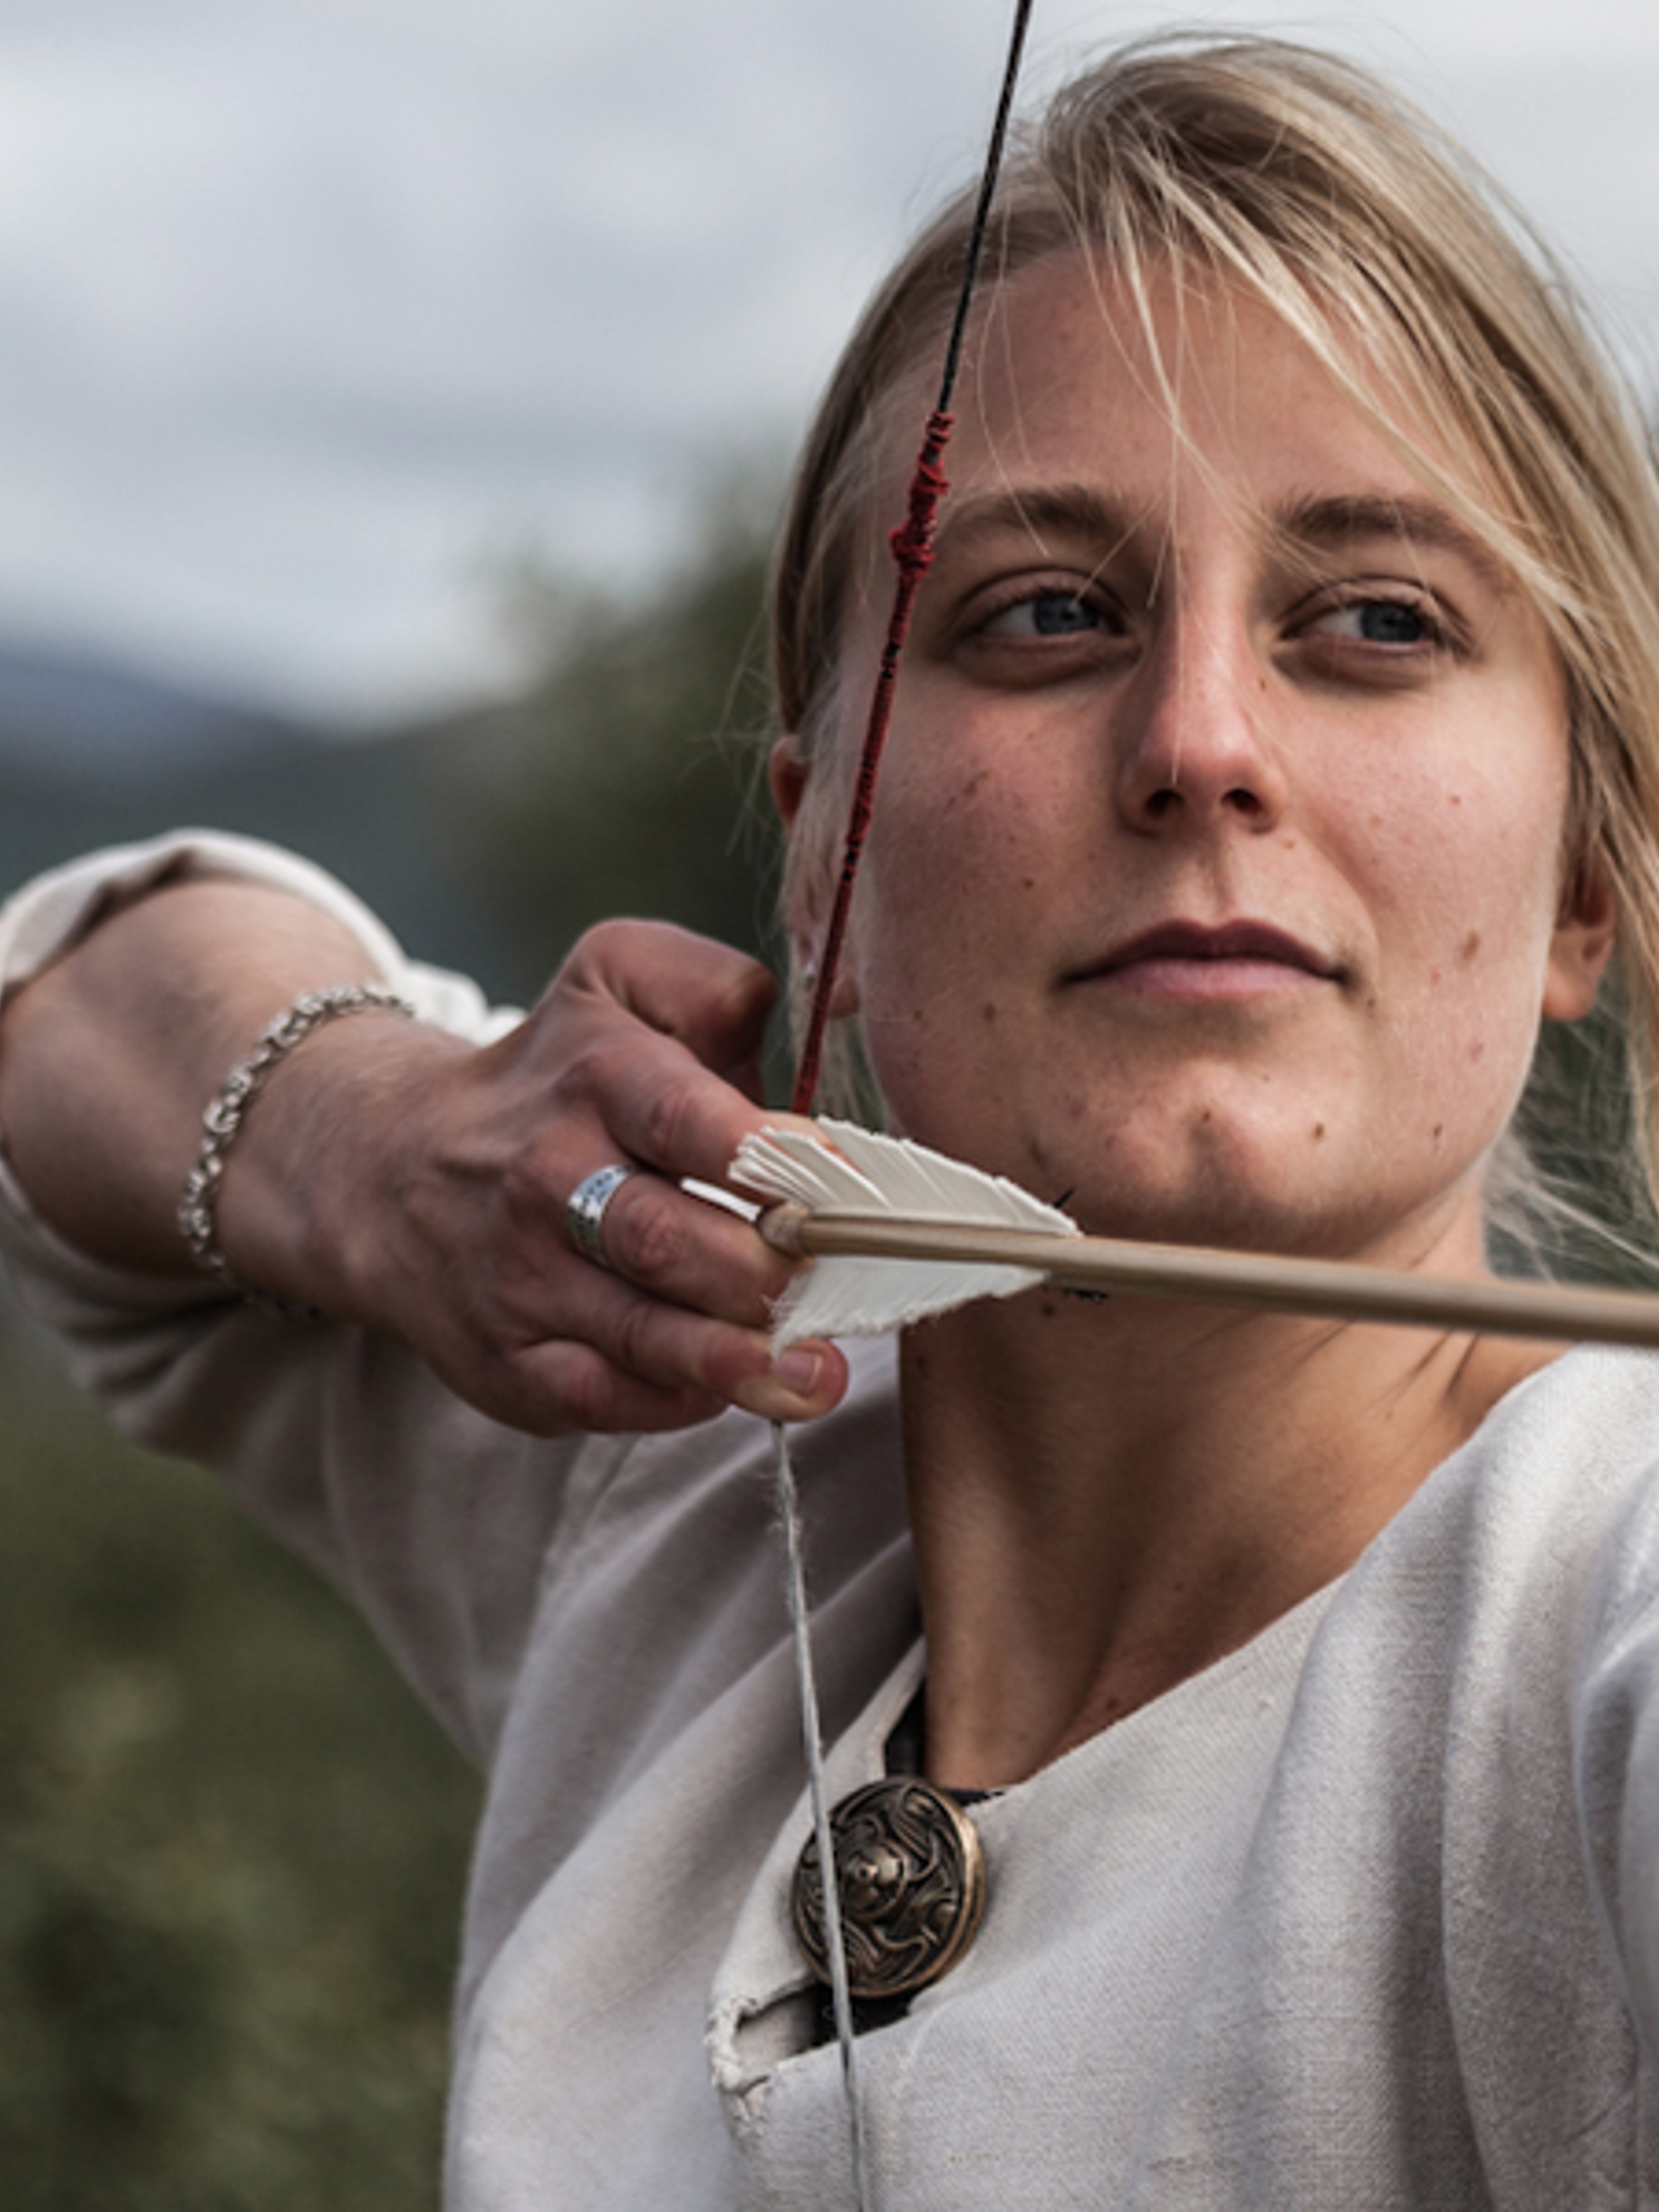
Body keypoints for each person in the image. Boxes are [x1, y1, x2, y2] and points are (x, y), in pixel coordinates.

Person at [1, 31, 1657, 2207]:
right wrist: (377, 1136)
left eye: (1376, 618)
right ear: (821, 867)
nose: (1200, 741)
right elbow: (68, 1016)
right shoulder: (680, 1438)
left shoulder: (1592, 1613)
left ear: (1587, 888)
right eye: (1047, 610)